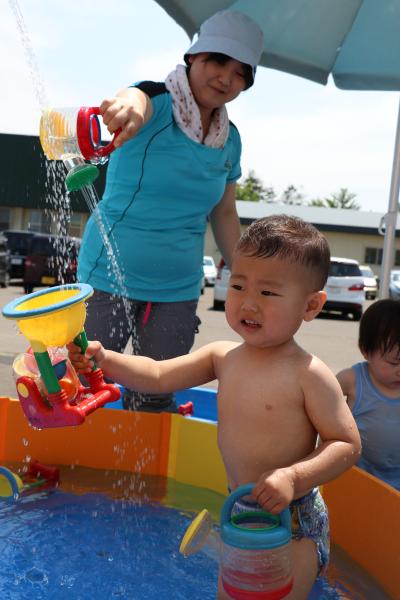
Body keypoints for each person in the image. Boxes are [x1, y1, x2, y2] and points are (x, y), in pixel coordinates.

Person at [70, 215, 361, 599]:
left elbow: (346, 443)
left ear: (311, 306)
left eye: (268, 293)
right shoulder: (222, 356)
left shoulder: (309, 373)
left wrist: (293, 478)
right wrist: (106, 358)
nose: (248, 302)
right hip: (240, 509)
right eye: (238, 285)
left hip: (294, 520)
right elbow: (157, 374)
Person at [77, 10, 264, 413]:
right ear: (193, 57)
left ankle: (143, 478)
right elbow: (134, 100)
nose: (226, 78)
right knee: (86, 386)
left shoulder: (229, 140)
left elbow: (225, 214)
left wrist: (249, 276)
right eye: (217, 61)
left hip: (177, 288)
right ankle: (79, 473)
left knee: (155, 397)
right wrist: (125, 109)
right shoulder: (155, 101)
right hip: (109, 274)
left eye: (240, 72)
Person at [337, 299, 400, 491]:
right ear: (365, 351)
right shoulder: (352, 380)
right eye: (393, 363)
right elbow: (317, 404)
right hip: (359, 476)